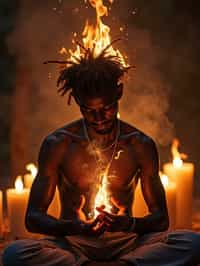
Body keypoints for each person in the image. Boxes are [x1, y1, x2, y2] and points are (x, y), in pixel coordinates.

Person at [3, 46, 200, 266]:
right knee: (15, 253)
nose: (99, 118)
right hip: (72, 242)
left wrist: (128, 224)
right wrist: (75, 227)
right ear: (77, 100)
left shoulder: (139, 144)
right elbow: (33, 218)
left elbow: (161, 218)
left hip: (127, 241)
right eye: (89, 110)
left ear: (119, 93)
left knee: (193, 242)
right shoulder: (58, 144)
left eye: (107, 107)